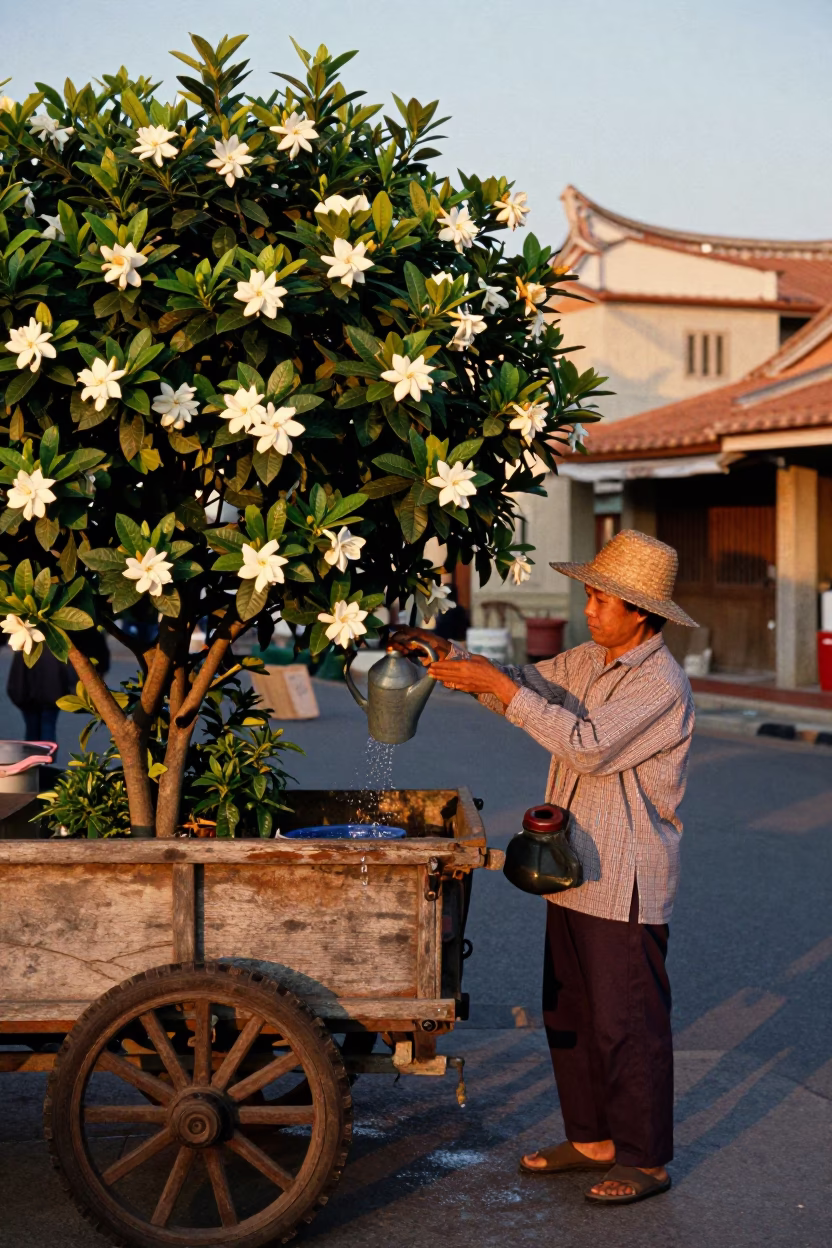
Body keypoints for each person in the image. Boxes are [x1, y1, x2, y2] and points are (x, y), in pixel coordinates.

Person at [392, 530, 696, 1206]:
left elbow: (585, 747)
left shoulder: (659, 684)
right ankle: (591, 1139)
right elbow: (526, 690)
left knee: (628, 1024)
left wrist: (500, 684)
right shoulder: (590, 658)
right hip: (575, 867)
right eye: (589, 594)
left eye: (601, 599)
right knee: (570, 1012)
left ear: (640, 613)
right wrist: (454, 659)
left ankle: (645, 1159)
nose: (589, 608)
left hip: (627, 879)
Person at [7, 645, 69, 743]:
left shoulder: (24, 643)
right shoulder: (53, 643)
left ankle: (34, 757)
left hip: (28, 696)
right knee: (48, 730)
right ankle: (47, 757)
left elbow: (16, 673)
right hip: (51, 695)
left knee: (32, 732)